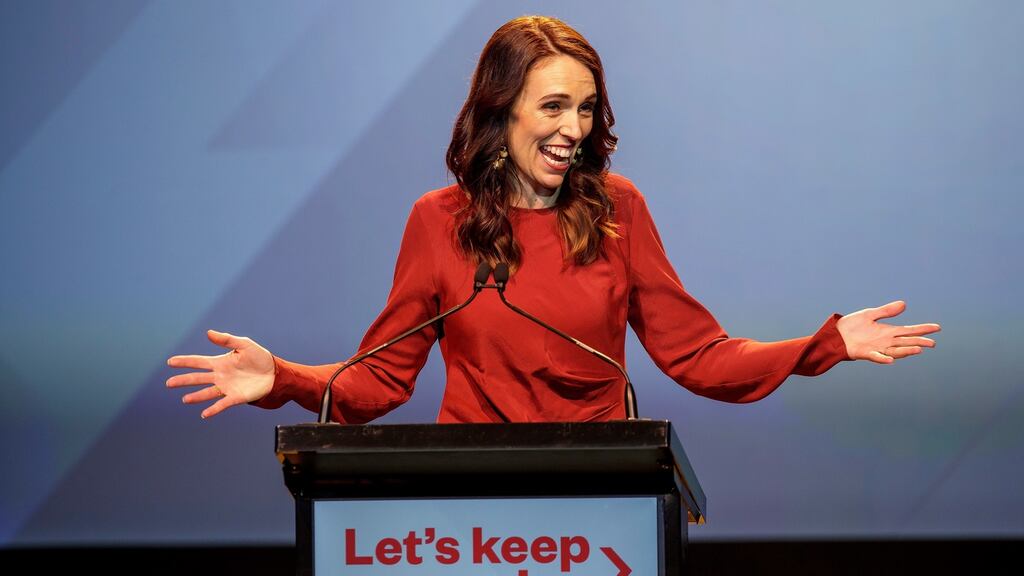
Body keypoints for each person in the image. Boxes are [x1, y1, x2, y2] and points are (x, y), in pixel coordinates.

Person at [166, 15, 940, 423]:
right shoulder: (438, 222)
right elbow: (381, 380)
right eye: (554, 106)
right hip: (465, 515)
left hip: (601, 504)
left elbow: (700, 356)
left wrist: (823, 344)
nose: (575, 127)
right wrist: (283, 380)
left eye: (588, 107)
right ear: (501, 114)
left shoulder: (619, 212)